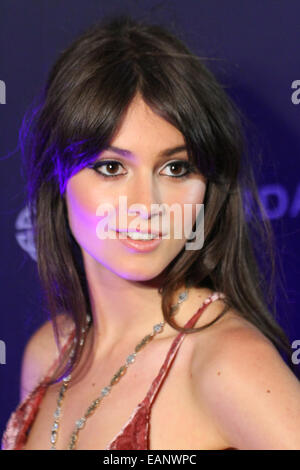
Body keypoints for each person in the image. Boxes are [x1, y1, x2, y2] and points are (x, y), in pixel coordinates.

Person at [2, 14, 300, 451]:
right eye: (111, 167)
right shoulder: (49, 352)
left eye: (176, 168)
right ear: (57, 178)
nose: (146, 205)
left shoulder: (226, 362)